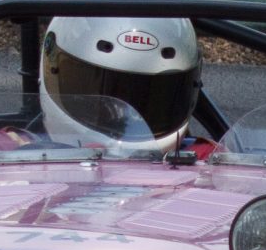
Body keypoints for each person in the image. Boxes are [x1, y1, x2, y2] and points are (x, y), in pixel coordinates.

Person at [38, 11, 202, 154]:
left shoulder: (207, 162)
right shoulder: (19, 153)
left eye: (152, 100)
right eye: (99, 102)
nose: (126, 115)